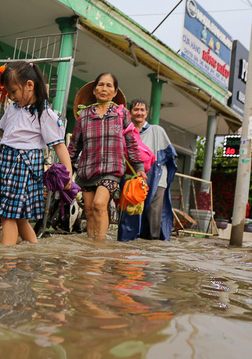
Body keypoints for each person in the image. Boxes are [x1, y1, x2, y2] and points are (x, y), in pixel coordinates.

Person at [0, 62, 72, 245]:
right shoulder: (13, 108)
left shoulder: (44, 114)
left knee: (8, 215)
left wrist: (68, 175)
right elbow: (0, 128)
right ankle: (32, 255)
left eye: (13, 92)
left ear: (29, 85)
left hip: (24, 166)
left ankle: (5, 258)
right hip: (7, 164)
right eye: (9, 93)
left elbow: (59, 146)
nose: (11, 97)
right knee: (19, 218)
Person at [68, 73, 146, 240]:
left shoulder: (122, 114)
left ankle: (100, 246)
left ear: (115, 91)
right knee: (88, 210)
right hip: (88, 169)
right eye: (101, 85)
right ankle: (92, 247)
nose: (104, 89)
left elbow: (131, 141)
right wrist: (66, 168)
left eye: (109, 85)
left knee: (99, 204)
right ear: (95, 90)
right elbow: (74, 145)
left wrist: (139, 167)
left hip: (111, 169)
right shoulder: (84, 116)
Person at [118, 98, 177, 241]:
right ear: (130, 113)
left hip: (156, 178)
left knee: (153, 213)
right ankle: (130, 244)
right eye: (136, 110)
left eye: (142, 110)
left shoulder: (157, 130)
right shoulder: (126, 132)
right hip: (133, 179)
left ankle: (151, 246)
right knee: (132, 211)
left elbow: (169, 157)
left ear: (147, 113)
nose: (139, 113)